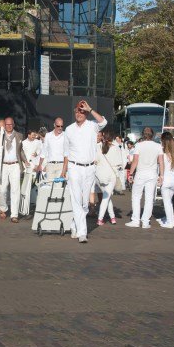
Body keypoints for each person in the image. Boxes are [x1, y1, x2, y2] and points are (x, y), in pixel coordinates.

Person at [61, 101, 106, 243]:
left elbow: (103, 121)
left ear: (85, 113)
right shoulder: (68, 129)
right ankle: (82, 233)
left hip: (89, 167)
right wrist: (64, 170)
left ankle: (75, 224)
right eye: (77, 112)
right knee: (76, 199)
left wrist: (90, 109)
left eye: (82, 111)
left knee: (85, 203)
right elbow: (66, 152)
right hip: (74, 167)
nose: (79, 114)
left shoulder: (92, 126)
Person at [0, 116, 27, 223]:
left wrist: (25, 161)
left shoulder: (19, 136)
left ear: (14, 125)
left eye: (11, 124)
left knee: (15, 190)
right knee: (2, 189)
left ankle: (14, 215)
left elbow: (20, 151)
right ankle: (4, 208)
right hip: (3, 165)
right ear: (4, 125)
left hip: (15, 165)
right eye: (7, 124)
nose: (9, 126)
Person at [126, 127, 163, 228]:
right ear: (153, 135)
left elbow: (135, 161)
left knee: (136, 197)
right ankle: (146, 221)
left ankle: (135, 220)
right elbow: (161, 161)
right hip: (152, 174)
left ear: (143, 134)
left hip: (140, 174)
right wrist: (161, 175)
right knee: (149, 198)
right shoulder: (158, 146)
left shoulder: (138, 145)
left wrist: (130, 173)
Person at [95, 129, 124, 225]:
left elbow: (95, 161)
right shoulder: (115, 148)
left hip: (99, 175)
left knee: (106, 197)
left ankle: (112, 217)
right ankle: (100, 218)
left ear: (104, 137)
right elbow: (120, 163)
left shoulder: (99, 147)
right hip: (112, 175)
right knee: (106, 197)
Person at [156, 134, 174, 228]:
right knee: (169, 202)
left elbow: (159, 167)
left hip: (166, 181)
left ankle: (170, 222)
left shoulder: (162, 155)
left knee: (167, 202)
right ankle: (169, 219)